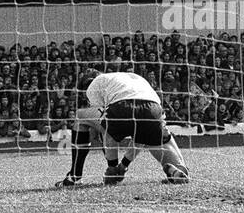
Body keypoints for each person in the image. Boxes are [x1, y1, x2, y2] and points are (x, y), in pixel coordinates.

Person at [58, 67, 188, 187]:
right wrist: (124, 164)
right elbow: (139, 139)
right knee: (155, 137)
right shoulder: (128, 78)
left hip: (122, 106)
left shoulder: (95, 84)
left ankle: (76, 176)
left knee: (81, 116)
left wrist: (113, 165)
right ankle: (177, 170)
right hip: (153, 109)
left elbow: (104, 127)